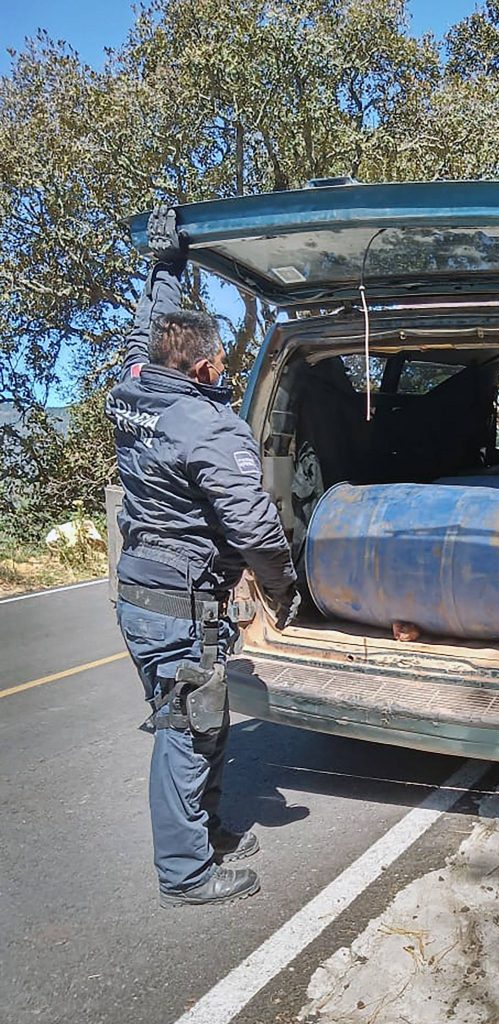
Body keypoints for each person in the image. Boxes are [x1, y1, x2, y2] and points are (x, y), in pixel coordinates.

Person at [106, 203, 299, 907]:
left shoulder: (133, 387)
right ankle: (187, 874)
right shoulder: (211, 429)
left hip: (140, 594)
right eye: (222, 363)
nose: (226, 371)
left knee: (198, 716)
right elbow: (253, 525)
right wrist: (282, 589)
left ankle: (208, 834)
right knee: (188, 730)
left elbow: (143, 329)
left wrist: (166, 265)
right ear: (208, 363)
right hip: (180, 603)